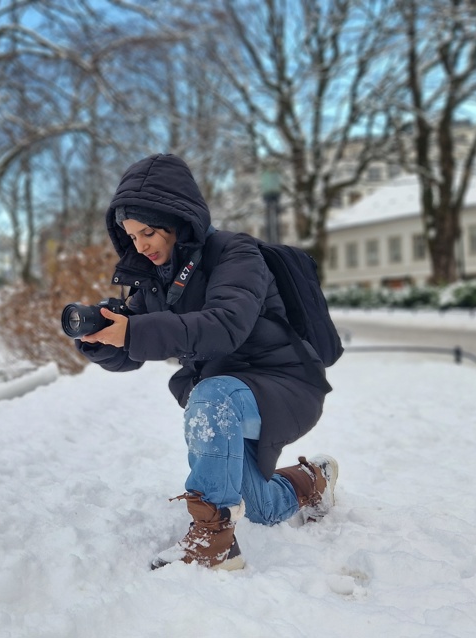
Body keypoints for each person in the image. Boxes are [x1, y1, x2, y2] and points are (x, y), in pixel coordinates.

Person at [75, 153, 337, 571]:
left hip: (285, 383)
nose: (140, 245)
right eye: (131, 236)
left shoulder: (236, 254)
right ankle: (315, 479)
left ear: (178, 222)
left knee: (210, 396)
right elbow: (132, 354)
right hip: (227, 396)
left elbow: (225, 326)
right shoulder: (156, 280)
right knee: (264, 508)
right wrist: (103, 339)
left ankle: (213, 540)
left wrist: (135, 332)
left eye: (148, 232)